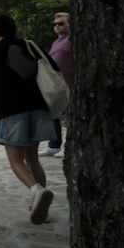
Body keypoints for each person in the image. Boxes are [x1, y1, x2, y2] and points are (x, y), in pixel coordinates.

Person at [0, 14, 58, 225]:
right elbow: (53, 68)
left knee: (15, 159)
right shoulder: (29, 46)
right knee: (33, 158)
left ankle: (37, 191)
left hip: (11, 111)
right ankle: (39, 206)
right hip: (38, 108)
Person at [40, 12, 72, 158]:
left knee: (70, 116)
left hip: (69, 83)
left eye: (61, 23)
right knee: (53, 114)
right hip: (56, 85)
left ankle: (70, 146)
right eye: (55, 24)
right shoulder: (56, 42)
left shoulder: (71, 39)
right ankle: (54, 145)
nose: (57, 26)